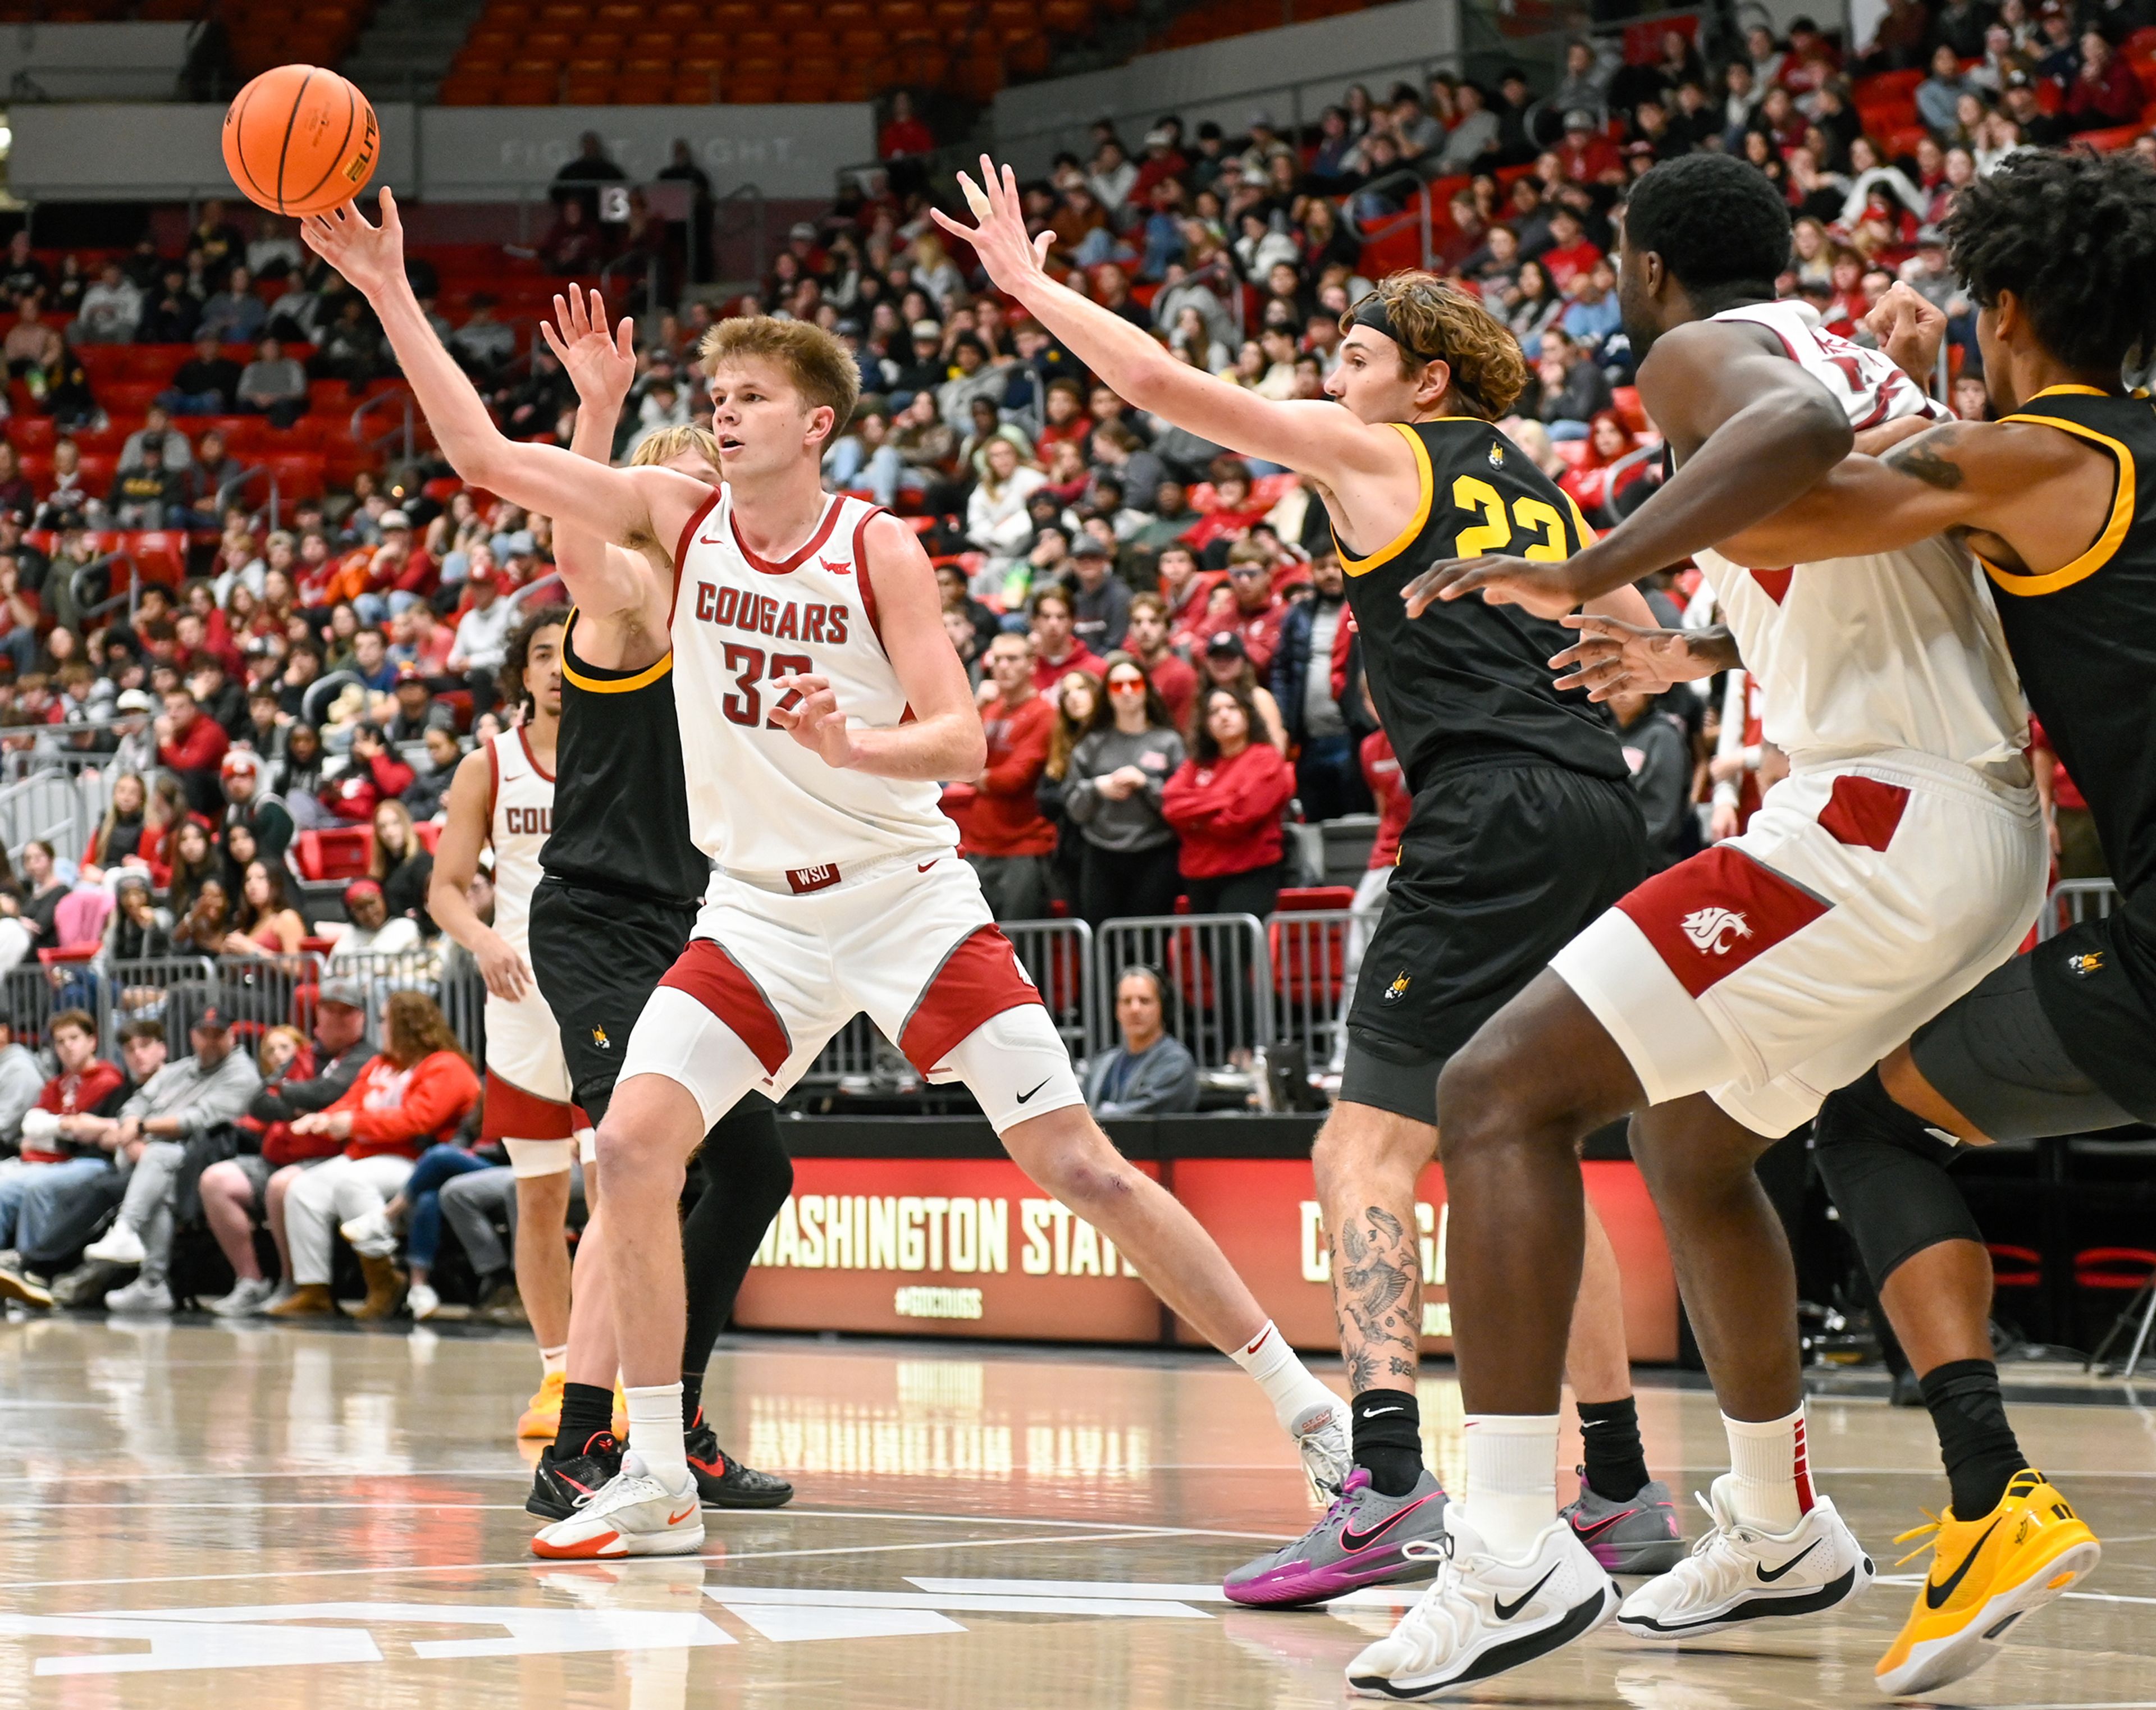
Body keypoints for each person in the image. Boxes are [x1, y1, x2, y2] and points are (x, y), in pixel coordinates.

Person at [303, 190, 1352, 1562]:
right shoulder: (679, 524)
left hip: (900, 896)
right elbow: (483, 456)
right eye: (714, 394)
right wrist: (388, 287)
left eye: (747, 396)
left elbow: (966, 739)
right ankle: (653, 1469)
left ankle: (1314, 1420)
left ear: (814, 424)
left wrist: (848, 739)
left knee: (1076, 1166)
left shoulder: (876, 546)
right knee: (628, 1146)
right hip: (751, 916)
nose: (721, 412)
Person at [939, 159, 1675, 1625]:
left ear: (1427, 378)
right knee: (1529, 1148)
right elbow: (1647, 642)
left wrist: (1029, 287)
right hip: (1599, 809)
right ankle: (1622, 1485)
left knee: (1362, 1156)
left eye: (1351, 357)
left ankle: (1390, 1477)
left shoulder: (1380, 457)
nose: (1325, 377)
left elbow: (1159, 380)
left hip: (1485, 816)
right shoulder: (1534, 480)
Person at [1391, 153, 2047, 1690]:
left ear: (1643, 269)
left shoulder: (1705, 353)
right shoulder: (1844, 344)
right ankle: (1774, 1521)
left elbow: (1798, 440)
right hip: (1956, 814)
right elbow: (1830, 528)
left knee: (1491, 1088)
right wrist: (1688, 651)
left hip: (1879, 814)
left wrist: (1588, 565)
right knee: (1689, 1140)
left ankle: (1504, 1552)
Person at [1609, 150, 2148, 1696]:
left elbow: (1810, 497)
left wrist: (1600, 569)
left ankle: (1991, 1494)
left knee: (1865, 1124)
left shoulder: (2031, 457)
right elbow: (1889, 565)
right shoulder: (2051, 465)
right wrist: (1708, 643)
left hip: (2126, 938)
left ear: (2009, 306)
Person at [514, 327, 793, 1512]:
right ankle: (585, 1440)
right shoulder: (626, 602)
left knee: (753, 1172)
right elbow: (581, 545)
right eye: (690, 483)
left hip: (695, 925)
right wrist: (597, 413)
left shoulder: (733, 618)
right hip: (597, 919)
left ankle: (667, 1428)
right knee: (639, 1170)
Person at [427, 605, 585, 1421]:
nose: (559, 668)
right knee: (540, 1195)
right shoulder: (488, 767)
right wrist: (484, 939)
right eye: (544, 656)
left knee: (632, 1190)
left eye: (571, 653)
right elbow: (444, 889)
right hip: (523, 1004)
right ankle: (560, 1373)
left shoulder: (622, 752)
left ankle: (614, 1369)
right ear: (521, 672)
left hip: (608, 994)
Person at [271, 990, 480, 1320]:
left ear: (407, 1024)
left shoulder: (446, 1066)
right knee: (303, 1189)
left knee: (352, 1183)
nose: (380, 1027)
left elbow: (418, 1120)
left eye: (385, 1020)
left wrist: (354, 1123)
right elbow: (352, 1103)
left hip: (415, 1159)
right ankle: (315, 1290)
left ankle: (384, 1280)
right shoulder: (380, 1064)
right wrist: (323, 1119)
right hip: (367, 1153)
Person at [198, 979, 372, 1317]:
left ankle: (293, 1284)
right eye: (330, 1010)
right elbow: (260, 1102)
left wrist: (289, 1092)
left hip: (329, 1158)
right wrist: (298, 1102)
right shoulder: (304, 1054)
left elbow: (328, 1094)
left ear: (360, 1018)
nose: (336, 1019)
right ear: (318, 1014)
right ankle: (250, 1281)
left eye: (346, 1012)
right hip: (280, 1153)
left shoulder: (365, 1058)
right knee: (215, 1180)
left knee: (283, 1186)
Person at [71, 1009, 263, 1313]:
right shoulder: (181, 1069)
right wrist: (132, 1124)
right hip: (158, 1154)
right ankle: (152, 1284)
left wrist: (142, 1129)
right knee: (155, 1188)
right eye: (204, 1033)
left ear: (232, 1036)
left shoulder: (242, 1073)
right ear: (192, 1036)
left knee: (156, 1160)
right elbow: (138, 1100)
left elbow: (201, 1119)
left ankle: (126, 1231)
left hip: (207, 1154)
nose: (210, 1041)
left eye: (218, 1034)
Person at [1063, 652, 1186, 927]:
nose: (1127, 692)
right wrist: (1097, 788)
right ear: (1107, 694)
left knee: (1149, 943)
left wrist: (1146, 784)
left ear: (1147, 689)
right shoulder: (1091, 745)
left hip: (1156, 854)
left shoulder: (1169, 742)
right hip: (1101, 854)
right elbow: (1073, 808)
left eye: (1135, 683)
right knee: (1103, 942)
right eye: (1118, 686)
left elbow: (1180, 804)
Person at [1161, 683, 1296, 917]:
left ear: (1247, 714)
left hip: (1249, 873)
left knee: (1232, 952)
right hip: (1198, 876)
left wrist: (1196, 819)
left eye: (1232, 707)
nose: (1224, 716)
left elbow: (1238, 820)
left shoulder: (1266, 759)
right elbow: (1172, 806)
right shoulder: (1196, 765)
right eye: (1214, 712)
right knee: (1211, 953)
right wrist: (1227, 799)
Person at [957, 631, 1058, 924]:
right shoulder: (989, 708)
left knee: (1020, 942)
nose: (1003, 666)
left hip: (1023, 847)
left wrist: (971, 774)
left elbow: (1014, 779)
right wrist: (975, 705)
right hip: (979, 844)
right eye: (998, 659)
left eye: (1012, 659)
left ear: (1031, 665)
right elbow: (958, 754)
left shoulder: (1044, 714)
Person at [1271, 550, 1368, 820]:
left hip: (1353, 735)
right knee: (1316, 819)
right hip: (1310, 740)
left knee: (1356, 820)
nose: (1329, 573)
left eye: (1337, 566)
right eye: (1322, 566)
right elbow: (1282, 669)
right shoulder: (1298, 614)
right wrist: (1285, 719)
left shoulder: (1362, 607)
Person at [1082, 967, 1199, 1117]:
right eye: (1126, 1001)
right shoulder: (1103, 1061)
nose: (1135, 1009)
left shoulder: (1175, 1062)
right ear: (1117, 1010)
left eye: (1145, 1001)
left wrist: (1089, 1120)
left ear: (1162, 1007)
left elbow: (1139, 1115)